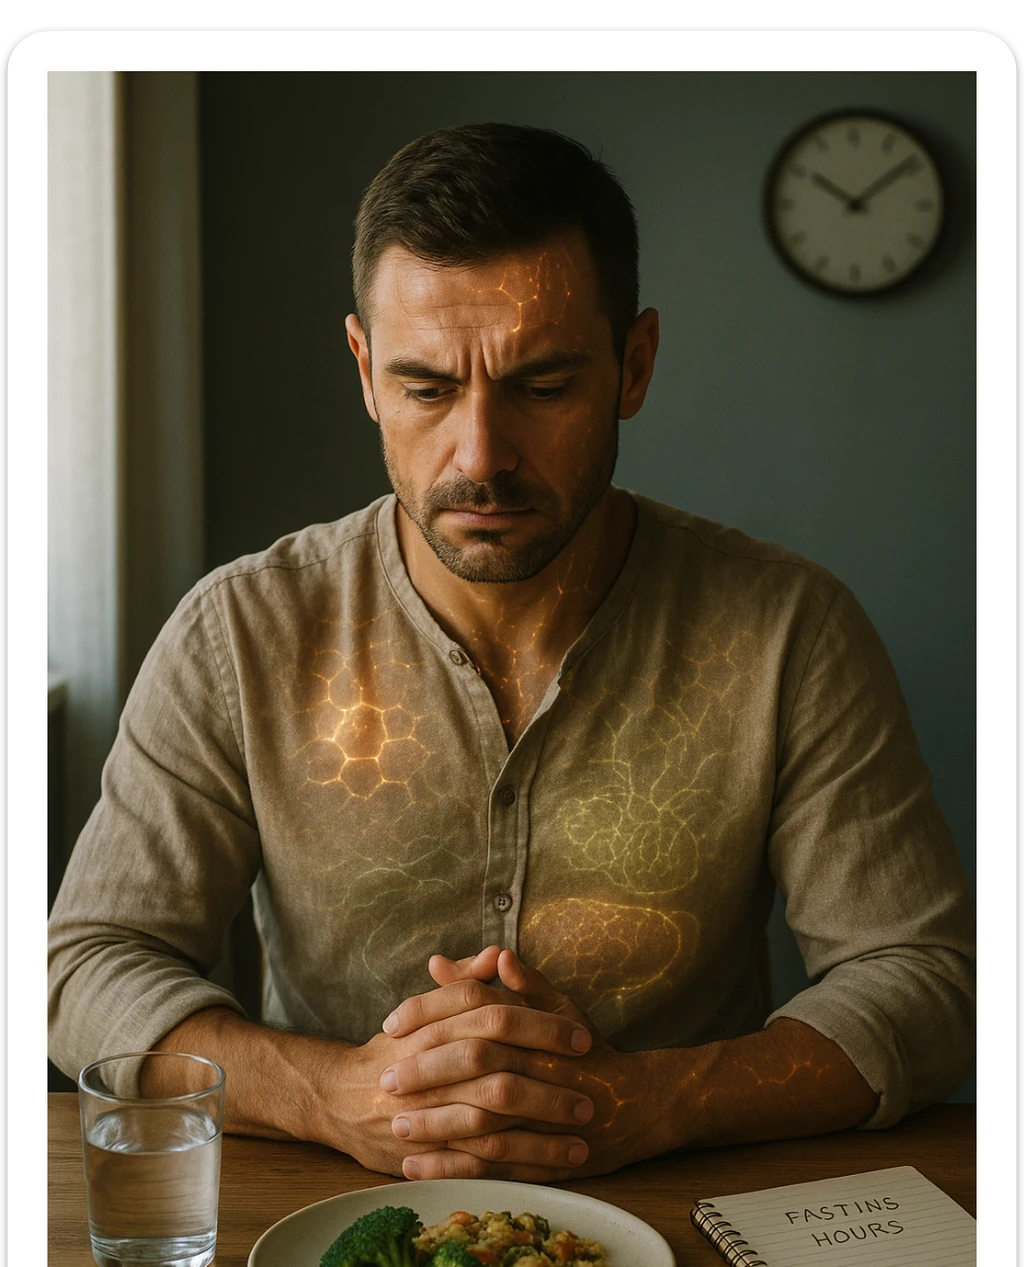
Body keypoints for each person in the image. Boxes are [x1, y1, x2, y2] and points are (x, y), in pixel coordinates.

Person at [48, 123, 974, 1183]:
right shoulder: (238, 635)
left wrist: (648, 1102)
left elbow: (926, 978)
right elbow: (80, 970)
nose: (479, 456)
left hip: (688, 1230)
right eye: (427, 389)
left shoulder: (790, 633)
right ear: (364, 371)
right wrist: (337, 1095)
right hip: (317, 1239)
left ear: (633, 366)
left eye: (540, 387)